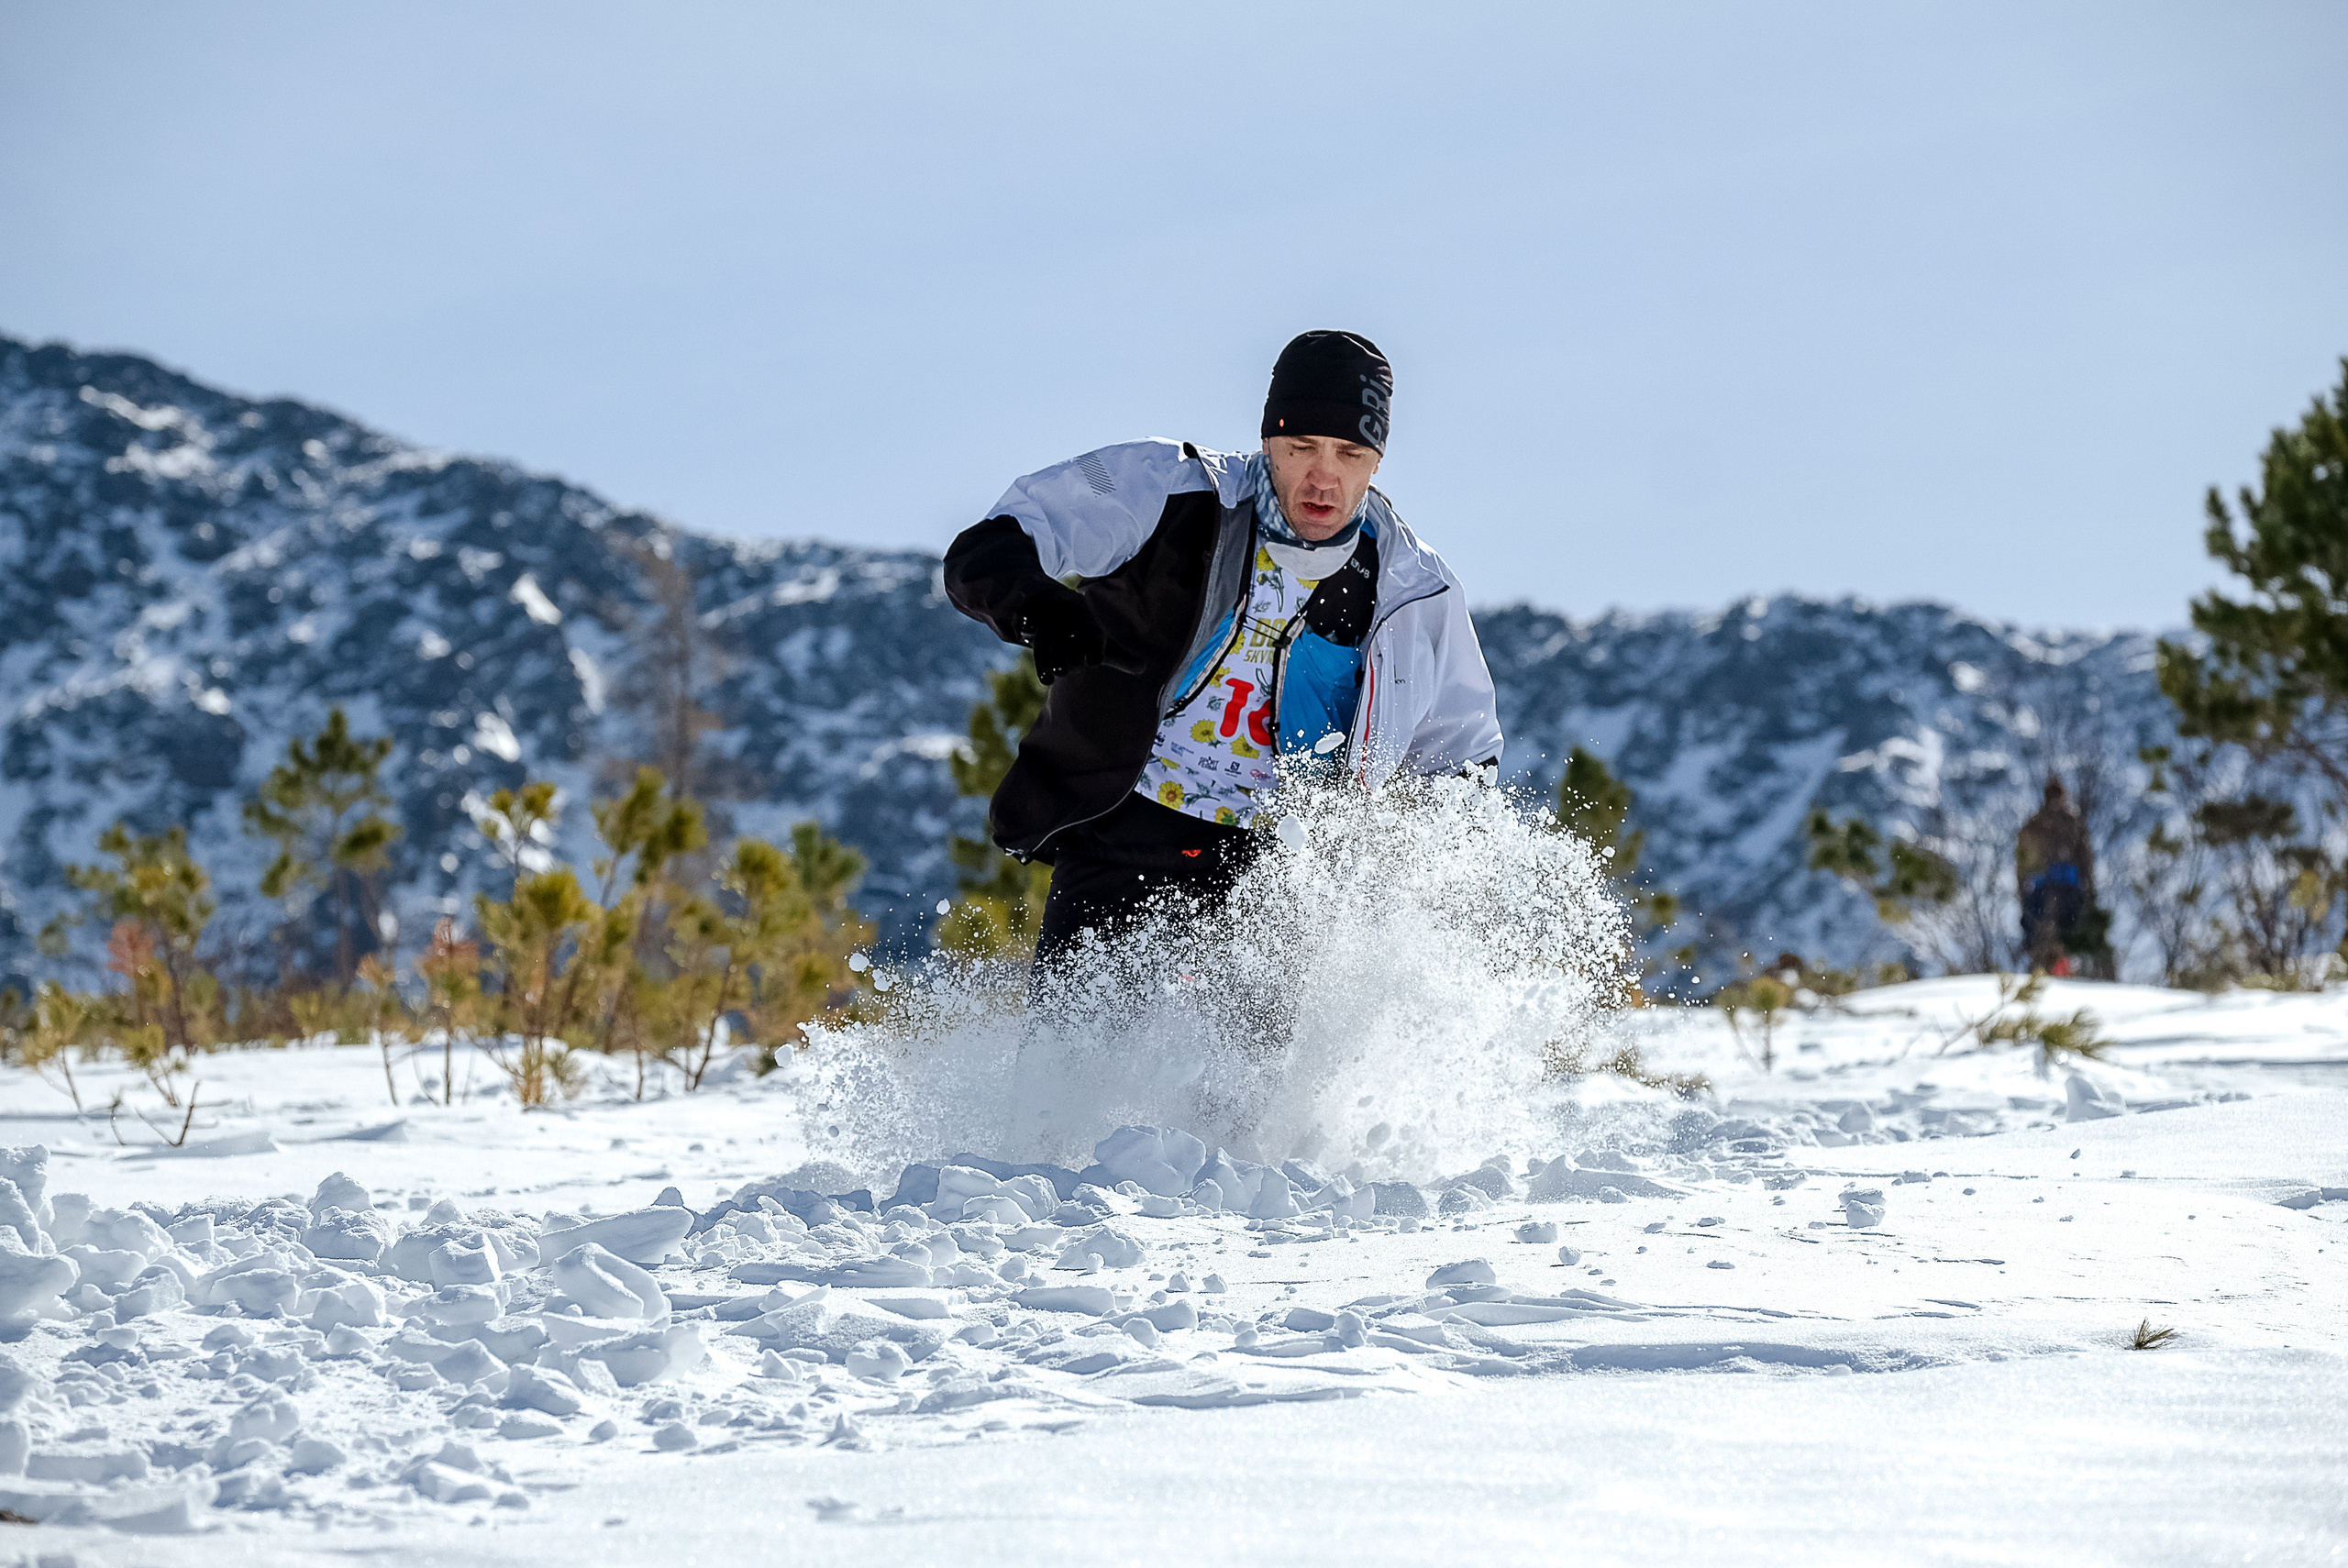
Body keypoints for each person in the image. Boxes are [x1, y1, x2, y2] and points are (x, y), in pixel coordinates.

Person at [942, 330, 1502, 974]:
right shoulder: (1168, 489)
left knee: (1246, 1077)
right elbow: (989, 547)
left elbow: (1463, 754)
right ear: (1268, 442)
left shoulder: (1414, 589)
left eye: (1350, 453)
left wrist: (1431, 867)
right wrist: (1041, 608)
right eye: (1301, 447)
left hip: (1272, 877)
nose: (1325, 476)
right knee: (1067, 1064)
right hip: (1126, 834)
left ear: (1376, 462)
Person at [2016, 773, 2108, 977]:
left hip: (2066, 890)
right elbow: (2023, 864)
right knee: (2045, 934)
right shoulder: (2037, 825)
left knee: (2064, 934)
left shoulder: (2069, 823)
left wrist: (2089, 890)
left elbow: (2085, 859)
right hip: (2047, 890)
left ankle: (2063, 971)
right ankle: (2045, 971)